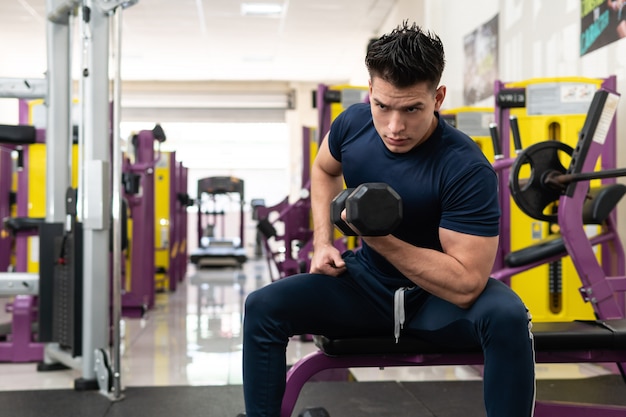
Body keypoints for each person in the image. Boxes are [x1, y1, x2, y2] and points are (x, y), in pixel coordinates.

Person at [240, 21, 536, 417]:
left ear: (438, 98)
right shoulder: (352, 125)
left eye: (412, 108)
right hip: (365, 286)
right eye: (383, 106)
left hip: (436, 301)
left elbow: (466, 284)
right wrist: (324, 241)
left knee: (507, 316)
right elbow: (324, 169)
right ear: (370, 94)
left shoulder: (464, 167)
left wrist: (379, 239)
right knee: (262, 307)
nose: (395, 127)